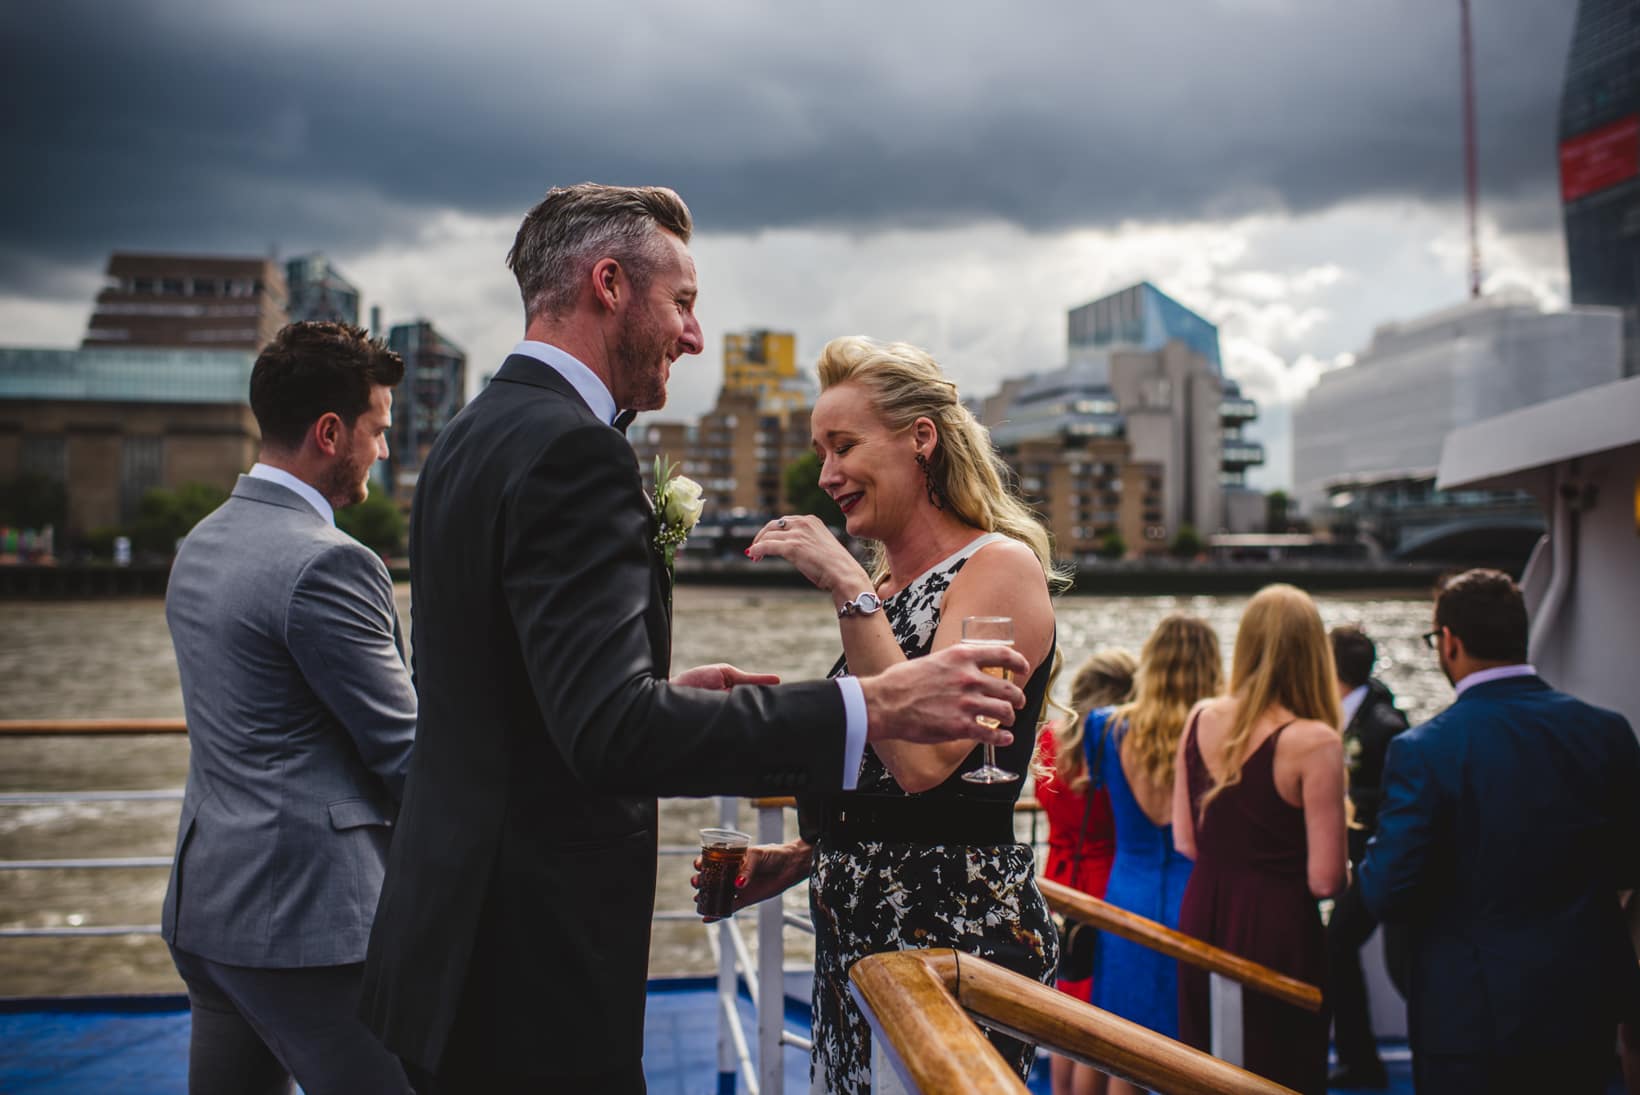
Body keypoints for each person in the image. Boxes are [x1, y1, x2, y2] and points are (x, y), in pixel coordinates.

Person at [357, 186, 1030, 1094]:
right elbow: (609, 734)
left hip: (449, 948)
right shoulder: (574, 450)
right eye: (681, 302)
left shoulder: (467, 439)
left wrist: (661, 691)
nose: (694, 335)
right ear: (608, 285)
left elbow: (504, 690)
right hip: (531, 967)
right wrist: (873, 704)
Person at [696, 334, 1064, 1093]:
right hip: (856, 944)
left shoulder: (997, 567)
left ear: (920, 439)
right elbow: (881, 786)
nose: (827, 473)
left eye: (844, 445)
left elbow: (925, 766)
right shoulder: (890, 587)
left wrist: (845, 585)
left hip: (950, 945)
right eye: (819, 450)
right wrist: (800, 857)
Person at [161, 321, 417, 1095]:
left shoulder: (200, 543)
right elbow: (410, 752)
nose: (383, 450)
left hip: (209, 910)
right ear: (330, 431)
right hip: (309, 925)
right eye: (376, 430)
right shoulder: (329, 562)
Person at [1358, 569, 1640, 1094]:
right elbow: (1629, 862)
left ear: (1449, 642)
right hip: (1585, 999)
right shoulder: (1607, 731)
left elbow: (1386, 890)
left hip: (1470, 1014)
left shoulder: (1425, 751)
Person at [1174, 584, 1347, 1094]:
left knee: (1203, 1069)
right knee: (1280, 1071)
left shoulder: (1200, 718)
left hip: (1204, 915)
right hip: (1277, 928)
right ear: (1314, 652)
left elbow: (1186, 841)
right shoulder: (1315, 742)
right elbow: (1325, 879)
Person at [1090, 615, 1221, 1095]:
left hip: (1128, 892)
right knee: (1194, 1051)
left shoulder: (1104, 728)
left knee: (1126, 1048)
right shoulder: (1220, 733)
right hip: (1196, 896)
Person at [1036, 649, 1134, 1095]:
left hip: (1057, 880)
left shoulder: (1050, 743)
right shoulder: (1118, 749)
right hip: (1106, 885)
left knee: (1065, 1016)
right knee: (1109, 1026)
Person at [1324, 624, 1409, 1089]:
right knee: (1336, 949)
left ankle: (1363, 1062)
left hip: (1377, 865)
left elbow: (1398, 797)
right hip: (1351, 862)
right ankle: (1360, 1058)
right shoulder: (1343, 714)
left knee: (1340, 947)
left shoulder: (1385, 726)